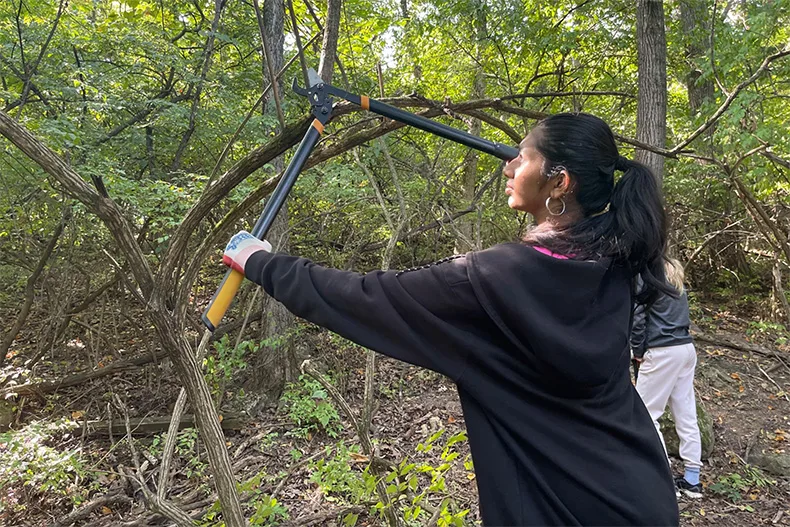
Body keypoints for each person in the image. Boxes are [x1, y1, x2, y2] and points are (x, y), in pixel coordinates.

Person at [222, 113, 680, 526]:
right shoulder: (616, 259)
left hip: (565, 508)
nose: (507, 167)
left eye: (521, 159)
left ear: (559, 182)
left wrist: (261, 263)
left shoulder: (496, 280)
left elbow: (365, 298)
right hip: (640, 493)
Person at [631, 258, 703, 499]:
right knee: (686, 412)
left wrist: (638, 350)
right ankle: (692, 479)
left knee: (645, 414)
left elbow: (639, 316)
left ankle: (662, 477)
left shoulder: (647, 275)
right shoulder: (674, 277)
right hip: (685, 348)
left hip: (661, 351)